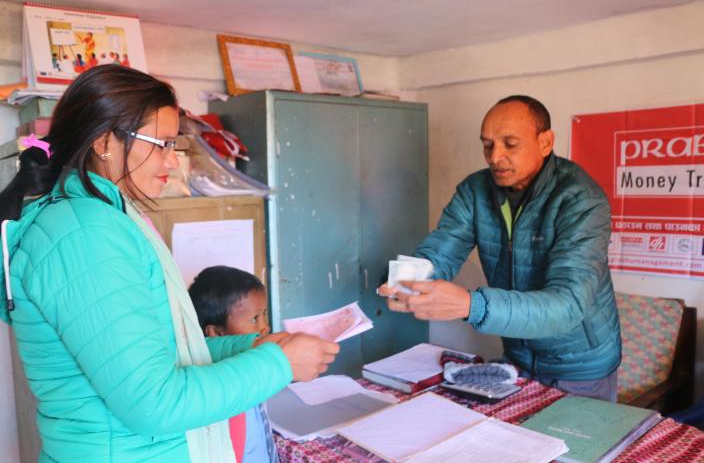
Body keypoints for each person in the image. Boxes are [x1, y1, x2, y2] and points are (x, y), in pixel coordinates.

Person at [0, 65, 339, 462]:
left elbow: (167, 350)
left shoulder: (106, 219)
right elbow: (156, 403)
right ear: (105, 141)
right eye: (161, 144)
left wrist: (252, 345)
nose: (173, 162)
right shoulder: (84, 234)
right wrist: (278, 364)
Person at [379, 95, 621, 401]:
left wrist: (471, 305)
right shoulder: (475, 191)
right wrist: (403, 281)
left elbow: (568, 304)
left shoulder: (580, 200)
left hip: (579, 367)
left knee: (572, 449)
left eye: (510, 144)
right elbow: (441, 251)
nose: (495, 157)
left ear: (545, 142)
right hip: (518, 357)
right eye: (488, 144)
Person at [190, 266, 279, 463]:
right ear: (216, 333)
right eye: (255, 318)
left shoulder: (251, 365)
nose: (265, 326)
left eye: (264, 314)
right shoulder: (221, 384)